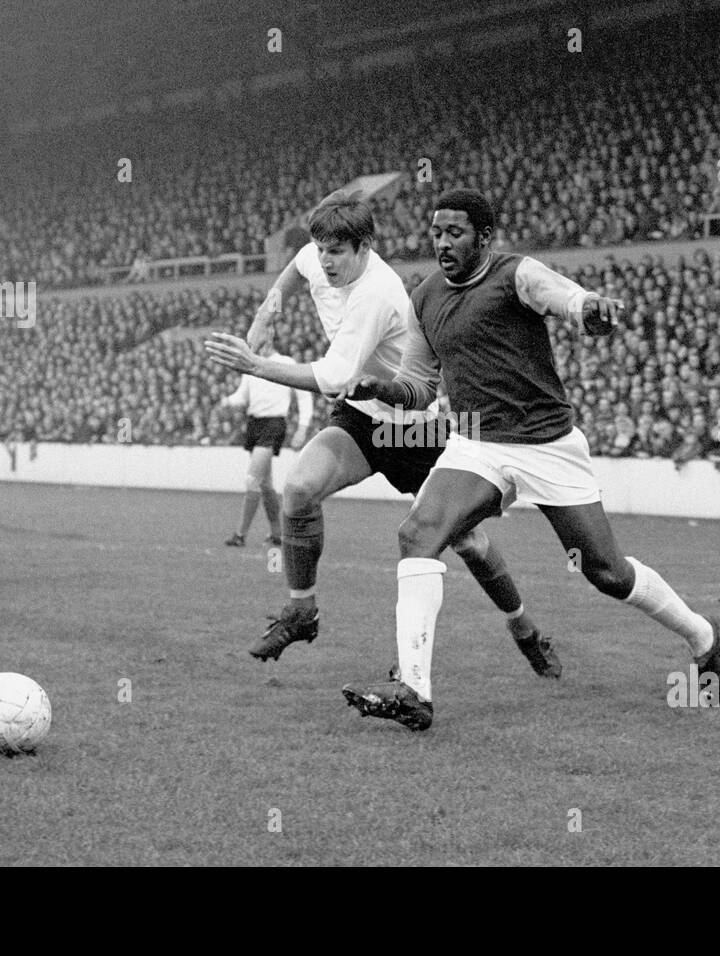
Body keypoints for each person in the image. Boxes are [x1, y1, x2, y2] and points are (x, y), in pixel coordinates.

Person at [338, 188, 720, 731]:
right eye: (436, 233)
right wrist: (385, 387)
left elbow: (565, 297)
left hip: (548, 447)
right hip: (478, 444)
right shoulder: (423, 297)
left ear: (485, 237)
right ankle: (414, 692)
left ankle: (703, 638)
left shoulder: (515, 275)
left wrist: (589, 309)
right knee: (417, 534)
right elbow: (419, 387)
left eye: (455, 232)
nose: (443, 242)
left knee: (606, 573)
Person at [205, 191, 559, 677]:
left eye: (338, 252)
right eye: (322, 249)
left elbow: (331, 376)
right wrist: (269, 309)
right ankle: (302, 611)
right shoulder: (320, 255)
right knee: (299, 490)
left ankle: (524, 628)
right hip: (362, 418)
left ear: (365, 247)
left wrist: (256, 365)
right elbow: (298, 266)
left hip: (412, 431)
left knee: (469, 543)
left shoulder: (376, 293)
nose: (326, 262)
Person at [218, 339, 312, 546]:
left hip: (273, 424)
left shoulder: (286, 362)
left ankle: (240, 535)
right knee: (265, 484)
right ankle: (277, 533)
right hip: (255, 423)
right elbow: (242, 397)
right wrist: (226, 402)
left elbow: (304, 396)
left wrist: (303, 428)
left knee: (252, 480)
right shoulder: (250, 363)